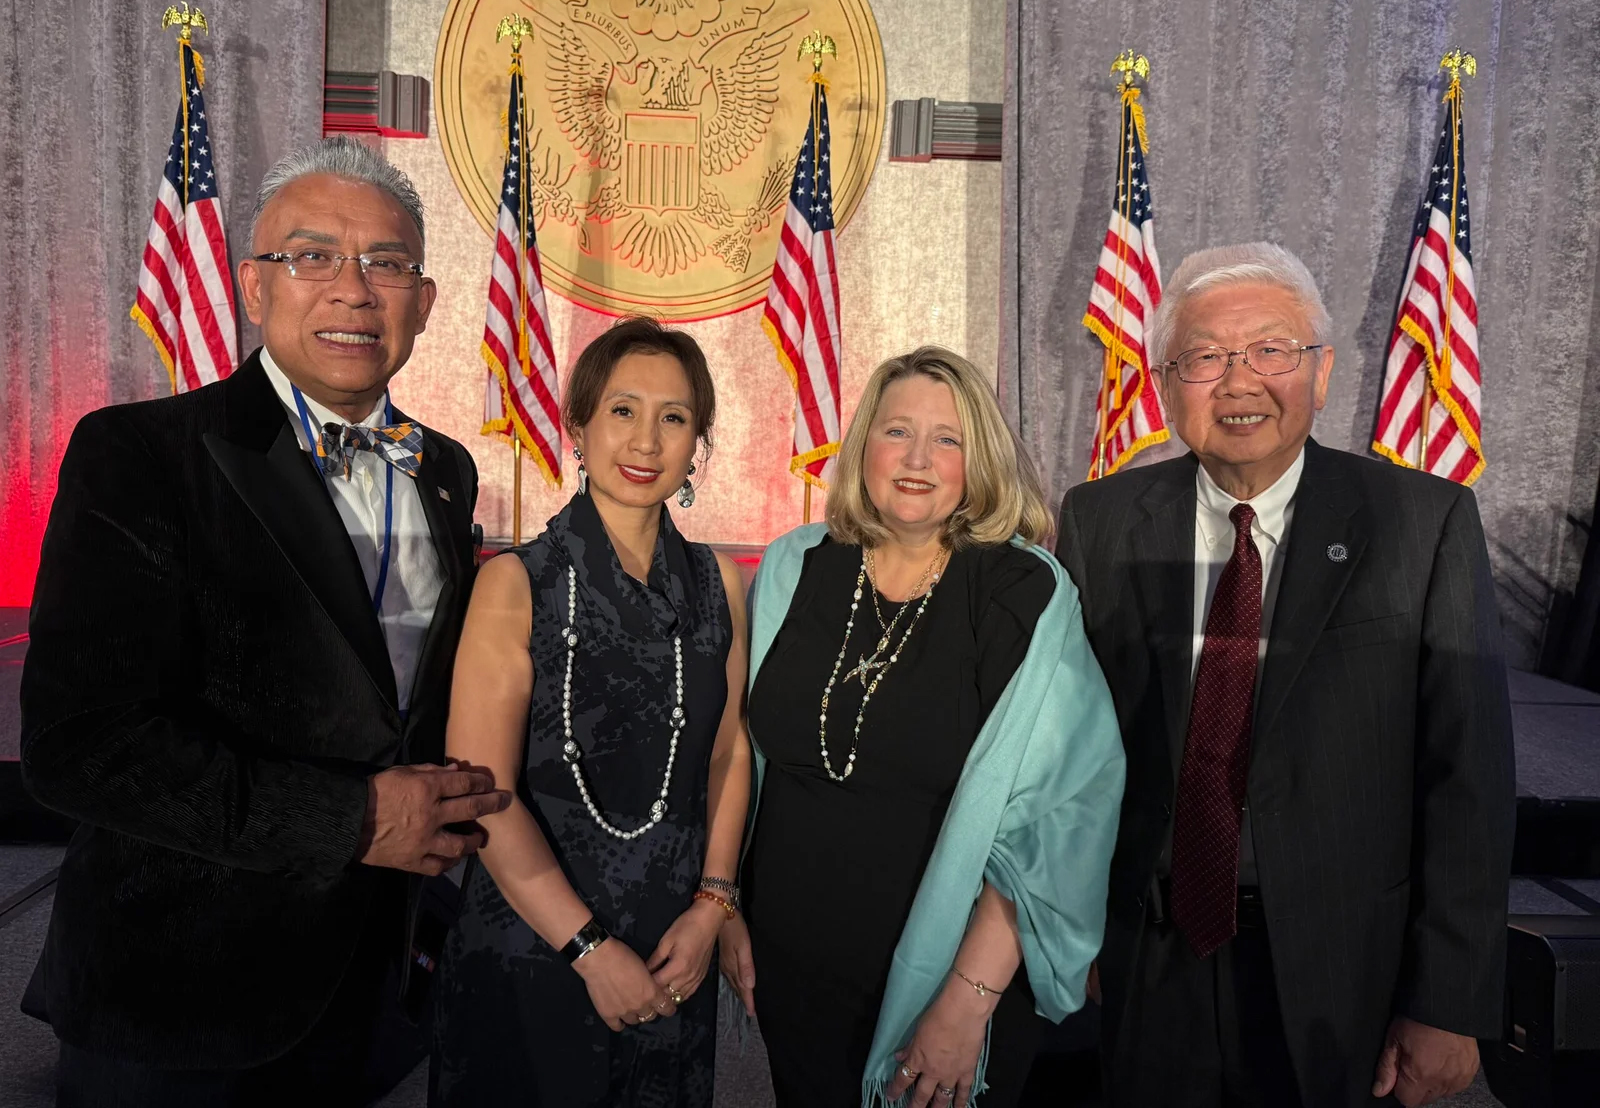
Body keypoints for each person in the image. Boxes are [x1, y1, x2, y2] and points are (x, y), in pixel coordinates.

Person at [20, 135, 509, 1107]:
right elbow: (81, 746)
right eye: (314, 254)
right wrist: (355, 818)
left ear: (424, 301)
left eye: (388, 262)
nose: (353, 288)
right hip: (178, 1011)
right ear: (253, 287)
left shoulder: (445, 471)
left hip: (368, 999)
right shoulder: (143, 454)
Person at [1055, 242, 1515, 1108]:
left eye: (1271, 350)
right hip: (1148, 959)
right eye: (1204, 358)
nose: (1238, 382)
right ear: (1165, 383)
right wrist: (1066, 935)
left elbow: (1471, 780)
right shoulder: (1099, 521)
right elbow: (1065, 756)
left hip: (1347, 970)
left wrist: (1449, 1001)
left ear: (1322, 370)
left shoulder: (1422, 523)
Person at [728, 346, 1125, 1108]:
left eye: (948, 439)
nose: (917, 459)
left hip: (945, 981)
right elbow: (743, 763)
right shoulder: (792, 567)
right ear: (862, 448)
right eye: (896, 431)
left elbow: (1057, 817)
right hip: (791, 972)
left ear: (979, 461)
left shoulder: (1018, 590)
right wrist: (727, 907)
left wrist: (966, 1002)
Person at [431, 317, 751, 1107]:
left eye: (673, 417)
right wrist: (586, 946)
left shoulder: (720, 583)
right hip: (531, 935)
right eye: (622, 410)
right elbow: (485, 791)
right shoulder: (515, 583)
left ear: (696, 443)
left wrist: (714, 904)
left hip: (676, 937)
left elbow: (729, 751)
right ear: (577, 426)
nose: (646, 439)